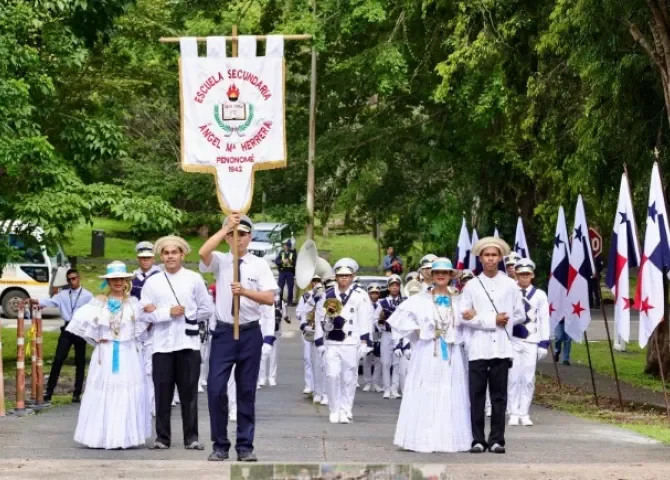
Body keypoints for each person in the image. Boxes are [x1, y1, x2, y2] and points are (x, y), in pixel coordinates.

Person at [199, 212, 277, 462]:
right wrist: (225, 228)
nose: (238, 239)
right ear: (227, 238)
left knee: (246, 392)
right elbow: (202, 253)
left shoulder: (259, 264)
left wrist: (245, 292)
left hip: (249, 332)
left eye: (242, 234)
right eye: (233, 235)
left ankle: (245, 447)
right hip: (223, 332)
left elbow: (269, 298)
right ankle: (220, 444)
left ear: (250, 237)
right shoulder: (221, 260)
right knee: (215, 388)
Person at [387, 257, 472, 452]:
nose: (441, 276)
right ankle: (423, 437)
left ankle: (448, 438)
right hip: (427, 351)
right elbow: (398, 322)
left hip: (450, 353)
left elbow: (468, 324)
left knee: (449, 390)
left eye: (445, 273)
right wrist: (420, 331)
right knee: (425, 389)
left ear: (451, 276)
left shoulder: (459, 301)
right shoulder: (418, 300)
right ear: (432, 275)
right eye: (437, 272)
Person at [65, 261, 151, 449]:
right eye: (114, 279)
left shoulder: (134, 304)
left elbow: (143, 328)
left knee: (126, 392)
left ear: (126, 280)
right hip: (105, 354)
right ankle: (100, 436)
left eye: (121, 279)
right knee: (103, 392)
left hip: (128, 354)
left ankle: (124, 437)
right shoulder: (98, 302)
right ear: (109, 281)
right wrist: (97, 338)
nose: (118, 282)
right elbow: (80, 324)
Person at [140, 235, 214, 451]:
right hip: (161, 345)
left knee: (189, 393)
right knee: (162, 393)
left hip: (188, 344)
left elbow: (207, 309)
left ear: (182, 254)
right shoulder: (152, 282)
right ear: (161, 256)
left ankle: (191, 437)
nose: (170, 256)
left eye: (174, 252)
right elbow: (144, 313)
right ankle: (162, 437)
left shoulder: (194, 279)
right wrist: (166, 313)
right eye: (166, 253)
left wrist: (188, 316)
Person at [461, 236, 524, 454]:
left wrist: (494, 319)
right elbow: (463, 316)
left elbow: (519, 314)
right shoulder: (471, 285)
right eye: (486, 255)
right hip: (478, 349)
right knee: (476, 397)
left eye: (494, 255)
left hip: (501, 348)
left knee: (499, 397)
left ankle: (497, 439)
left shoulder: (510, 285)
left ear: (500, 258)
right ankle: (477, 439)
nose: (490, 259)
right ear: (480, 258)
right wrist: (490, 320)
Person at [314, 258, 373, 424]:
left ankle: (346, 409)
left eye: (347, 275)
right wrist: (319, 342)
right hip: (332, 342)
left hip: (351, 342)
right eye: (340, 275)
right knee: (332, 375)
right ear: (336, 277)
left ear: (353, 276)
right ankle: (334, 409)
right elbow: (320, 320)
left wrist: (365, 342)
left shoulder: (360, 295)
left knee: (349, 377)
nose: (344, 278)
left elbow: (366, 319)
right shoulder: (328, 295)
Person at [30, 268, 93, 404]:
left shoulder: (88, 295)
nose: (72, 281)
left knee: (80, 362)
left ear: (79, 278)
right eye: (69, 279)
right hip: (67, 329)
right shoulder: (63, 294)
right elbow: (49, 302)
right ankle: (49, 392)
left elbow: (94, 311)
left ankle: (77, 393)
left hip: (80, 330)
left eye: (74, 278)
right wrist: (34, 301)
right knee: (58, 359)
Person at [508, 258, 550, 427]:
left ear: (532, 275)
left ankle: (524, 411)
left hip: (531, 341)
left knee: (528, 378)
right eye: (521, 275)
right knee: (512, 377)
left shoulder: (539, 295)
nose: (524, 278)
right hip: (513, 340)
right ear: (516, 275)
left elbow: (544, 319)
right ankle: (512, 411)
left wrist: (544, 343)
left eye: (527, 274)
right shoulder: (510, 292)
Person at [131, 241, 162, 414]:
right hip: (137, 326)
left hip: (155, 325)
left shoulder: (160, 276)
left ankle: (152, 404)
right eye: (142, 258)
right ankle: (140, 403)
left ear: (153, 258)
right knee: (138, 366)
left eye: (148, 258)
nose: (145, 262)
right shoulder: (132, 278)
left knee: (152, 367)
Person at [377, 275, 405, 399]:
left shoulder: (404, 301)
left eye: (397, 285)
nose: (395, 288)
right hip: (387, 334)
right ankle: (386, 388)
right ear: (388, 287)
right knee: (385, 362)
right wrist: (381, 322)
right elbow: (375, 319)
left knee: (397, 362)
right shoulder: (382, 302)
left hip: (399, 334)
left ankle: (394, 388)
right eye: (392, 286)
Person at [296, 275, 323, 395]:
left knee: (319, 359)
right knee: (308, 358)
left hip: (320, 330)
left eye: (318, 281)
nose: (316, 283)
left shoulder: (325, 295)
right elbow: (299, 312)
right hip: (308, 329)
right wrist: (305, 321)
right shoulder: (306, 296)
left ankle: (319, 387)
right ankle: (309, 385)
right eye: (314, 281)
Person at [258, 288, 287, 387]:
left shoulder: (281, 303)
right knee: (263, 353)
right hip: (264, 330)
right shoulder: (262, 301)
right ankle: (262, 377)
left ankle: (272, 377)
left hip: (276, 330)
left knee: (273, 355)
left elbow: (284, 315)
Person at [362, 283, 383, 393]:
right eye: (372, 293)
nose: (374, 295)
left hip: (378, 333)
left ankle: (376, 382)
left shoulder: (381, 304)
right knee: (367, 358)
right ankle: (368, 382)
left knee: (378, 358)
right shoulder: (364, 304)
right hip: (368, 333)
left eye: (376, 293)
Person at [275, 239, 296, 306]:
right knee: (280, 287)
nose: (287, 247)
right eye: (286, 245)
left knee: (290, 287)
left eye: (288, 246)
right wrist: (282, 261)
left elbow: (296, 263)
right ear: (284, 246)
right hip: (282, 272)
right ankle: (280, 301)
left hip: (290, 272)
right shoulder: (281, 253)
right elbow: (276, 261)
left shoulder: (293, 253)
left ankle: (289, 302)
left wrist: (291, 262)